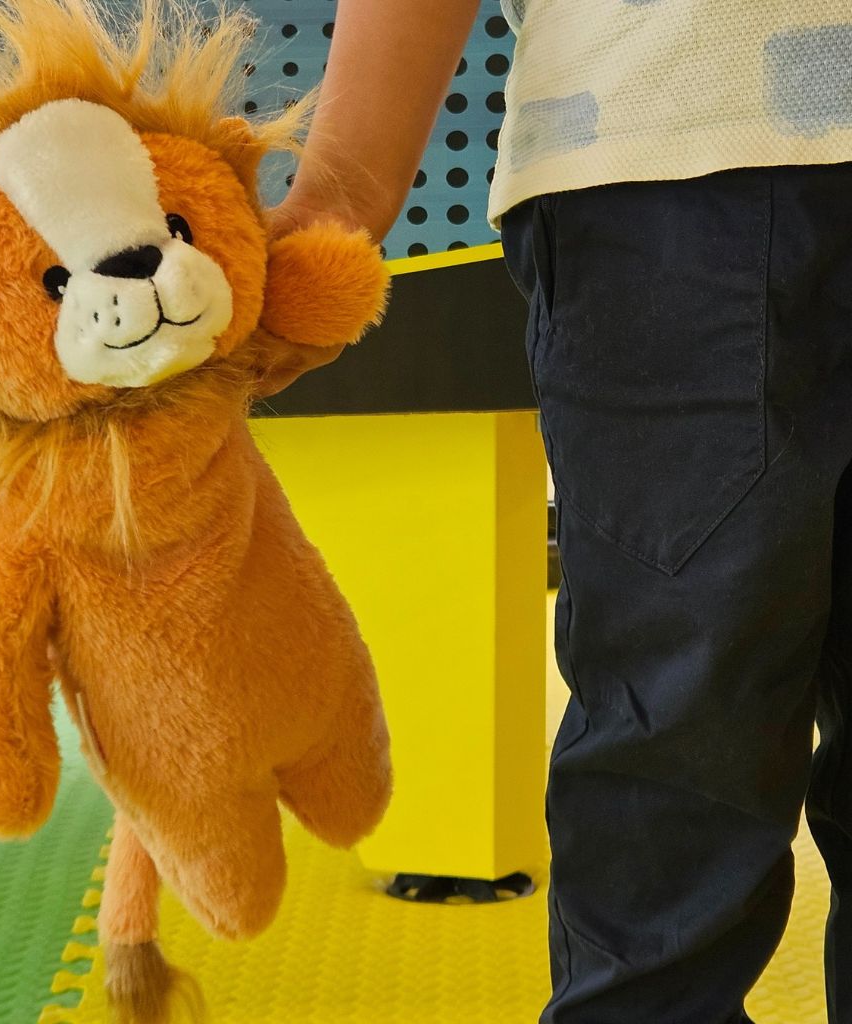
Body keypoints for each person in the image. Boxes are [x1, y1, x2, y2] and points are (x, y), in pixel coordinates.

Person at [269, 2, 852, 1022]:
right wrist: (339, 196)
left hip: (669, 177)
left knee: (676, 737)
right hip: (672, 148)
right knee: (677, 757)